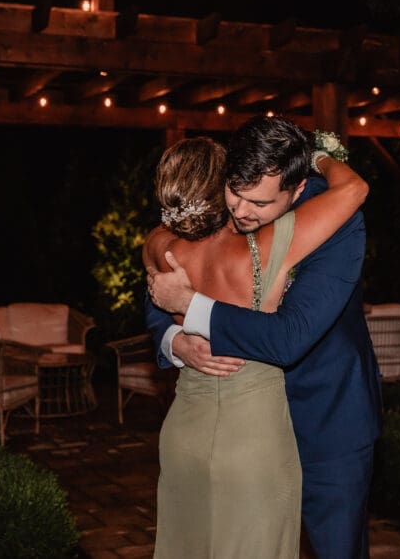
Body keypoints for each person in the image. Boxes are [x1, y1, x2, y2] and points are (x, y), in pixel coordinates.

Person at [146, 115, 382, 559]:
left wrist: (194, 306)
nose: (239, 212)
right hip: (238, 422)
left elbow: (291, 336)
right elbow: (162, 282)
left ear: (295, 190)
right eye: (234, 192)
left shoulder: (339, 218)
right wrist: (173, 340)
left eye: (257, 202)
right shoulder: (220, 208)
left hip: (323, 421)